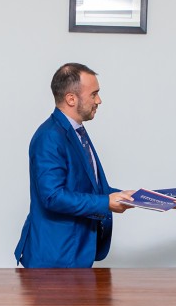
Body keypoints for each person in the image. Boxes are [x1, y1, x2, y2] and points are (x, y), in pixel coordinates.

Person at [14, 63, 134, 268]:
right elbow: (52, 197)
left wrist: (131, 197)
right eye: (94, 94)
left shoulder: (77, 132)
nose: (99, 100)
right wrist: (105, 202)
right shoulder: (49, 137)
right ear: (71, 99)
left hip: (75, 254)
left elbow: (89, 188)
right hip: (55, 258)